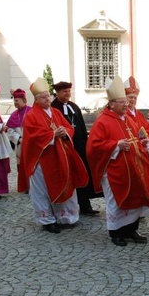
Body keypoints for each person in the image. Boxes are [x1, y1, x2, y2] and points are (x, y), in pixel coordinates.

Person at [87, 77, 149, 246]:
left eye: (126, 102)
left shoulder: (129, 119)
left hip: (133, 170)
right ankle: (116, 233)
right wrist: (116, 145)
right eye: (122, 102)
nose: (126, 105)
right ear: (111, 104)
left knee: (135, 201)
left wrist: (145, 142)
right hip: (113, 172)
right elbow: (93, 147)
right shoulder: (102, 121)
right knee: (115, 203)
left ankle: (131, 230)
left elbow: (138, 137)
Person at [18, 78, 89, 233]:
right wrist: (52, 135)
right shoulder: (31, 116)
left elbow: (69, 127)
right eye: (43, 97)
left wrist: (65, 133)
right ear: (36, 99)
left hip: (60, 156)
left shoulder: (55, 112)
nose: (47, 99)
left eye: (48, 96)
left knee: (64, 184)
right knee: (42, 191)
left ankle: (66, 217)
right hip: (41, 160)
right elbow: (33, 137)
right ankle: (47, 220)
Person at [51, 81, 99, 216]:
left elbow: (82, 128)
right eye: (64, 91)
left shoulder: (74, 107)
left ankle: (85, 206)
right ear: (57, 93)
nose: (67, 94)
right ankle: (67, 209)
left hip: (80, 147)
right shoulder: (53, 108)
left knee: (82, 175)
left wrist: (86, 145)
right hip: (65, 149)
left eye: (68, 91)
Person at [5, 88, 32, 167]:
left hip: (31, 144)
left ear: (23, 100)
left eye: (16, 101)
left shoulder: (31, 111)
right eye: (14, 101)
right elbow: (9, 130)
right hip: (20, 145)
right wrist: (19, 138)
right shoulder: (13, 115)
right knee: (20, 168)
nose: (15, 103)